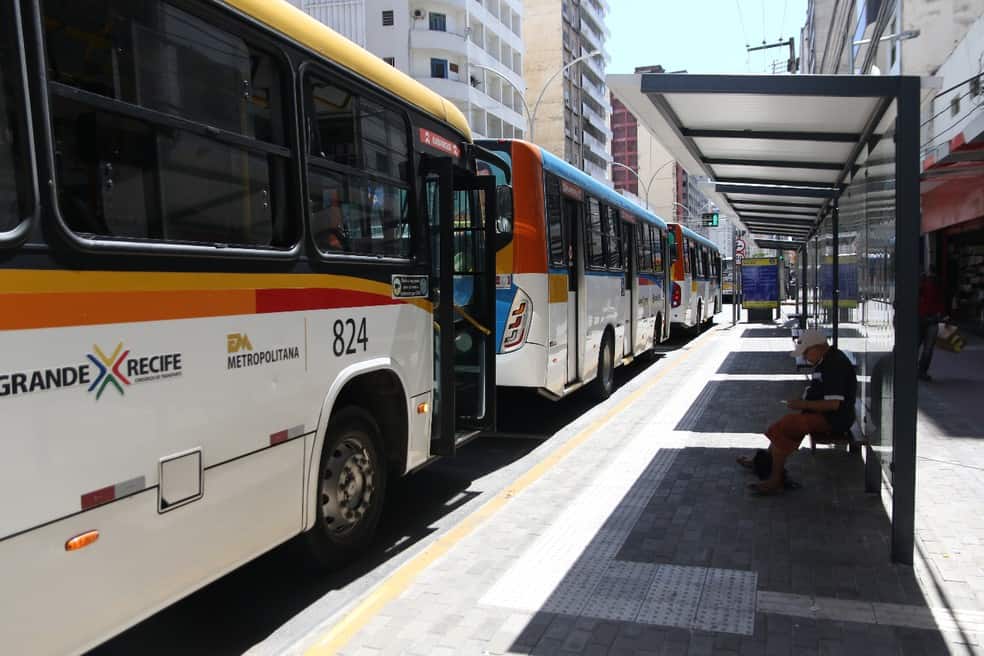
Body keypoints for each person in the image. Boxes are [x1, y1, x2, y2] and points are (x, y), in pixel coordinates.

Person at [738, 329, 857, 495]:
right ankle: (764, 463)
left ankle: (774, 479)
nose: (805, 359)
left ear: (816, 348)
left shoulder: (834, 364)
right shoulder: (826, 360)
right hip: (828, 415)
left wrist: (803, 403)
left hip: (835, 419)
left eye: (806, 353)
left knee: (788, 425)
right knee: (786, 426)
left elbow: (833, 405)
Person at [918, 272, 945, 381]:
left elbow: (939, 301)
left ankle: (920, 371)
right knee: (927, 348)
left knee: (924, 347)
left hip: (926, 319)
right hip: (928, 319)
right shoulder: (924, 286)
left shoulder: (932, 286)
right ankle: (922, 371)